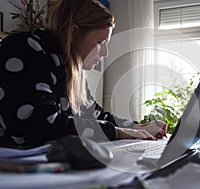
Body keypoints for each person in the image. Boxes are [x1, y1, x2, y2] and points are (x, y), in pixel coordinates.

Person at [0, 0, 167, 147]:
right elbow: (40, 125)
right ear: (73, 33)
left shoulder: (70, 69)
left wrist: (137, 127)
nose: (105, 53)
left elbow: (96, 114)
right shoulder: (25, 48)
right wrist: (117, 132)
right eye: (101, 42)